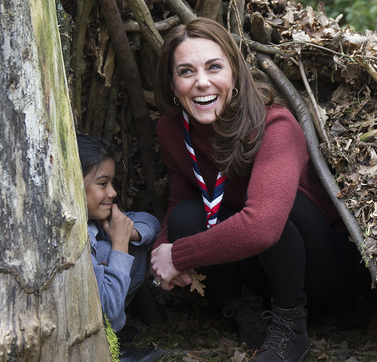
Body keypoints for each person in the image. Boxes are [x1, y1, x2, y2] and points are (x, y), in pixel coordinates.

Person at [150, 18, 362, 362]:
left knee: (276, 210)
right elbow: (180, 202)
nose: (202, 82)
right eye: (186, 71)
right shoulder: (172, 130)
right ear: (173, 83)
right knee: (189, 215)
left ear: (234, 74)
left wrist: (179, 255)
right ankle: (244, 310)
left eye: (214, 67)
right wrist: (163, 248)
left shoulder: (274, 125)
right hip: (257, 266)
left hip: (318, 265)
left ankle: (290, 327)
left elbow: (263, 226)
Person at [77, 134, 163, 362]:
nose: (113, 192)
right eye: (103, 184)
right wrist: (119, 244)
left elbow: (151, 223)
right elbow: (110, 313)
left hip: (107, 315)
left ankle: (111, 333)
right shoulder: (76, 238)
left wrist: (129, 233)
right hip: (94, 321)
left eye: (112, 183)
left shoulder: (96, 222)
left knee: (133, 246)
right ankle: (106, 341)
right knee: (116, 250)